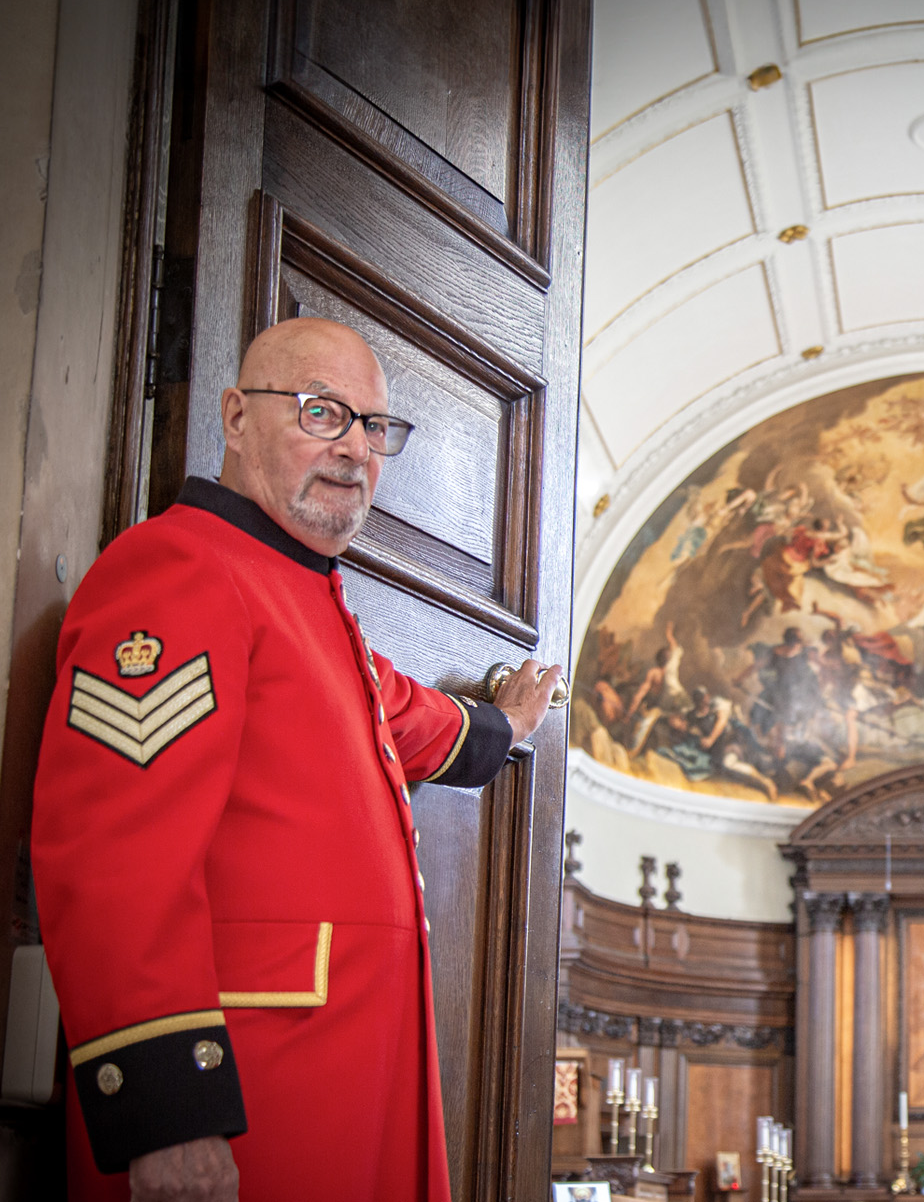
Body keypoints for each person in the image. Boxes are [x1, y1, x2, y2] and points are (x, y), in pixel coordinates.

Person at [32, 317, 566, 1202]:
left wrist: (502, 728)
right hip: (241, 1103)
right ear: (237, 417)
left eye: (374, 427)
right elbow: (110, 857)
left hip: (350, 1101)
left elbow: (402, 715)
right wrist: (169, 1112)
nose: (356, 448)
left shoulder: (316, 612)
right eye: (323, 413)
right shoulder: (181, 568)